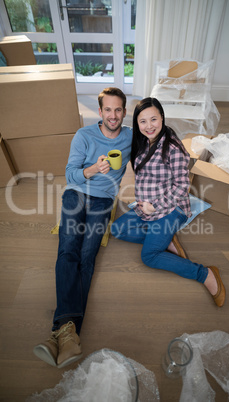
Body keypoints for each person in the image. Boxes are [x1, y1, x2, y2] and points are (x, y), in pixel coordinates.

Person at [33, 87, 132, 368]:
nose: (113, 116)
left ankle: (60, 335)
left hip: (103, 200)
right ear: (99, 112)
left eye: (118, 110)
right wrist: (92, 170)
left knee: (88, 256)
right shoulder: (84, 136)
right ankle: (68, 334)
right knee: (68, 250)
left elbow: (153, 140)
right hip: (76, 192)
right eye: (108, 110)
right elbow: (70, 173)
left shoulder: (129, 137)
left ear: (124, 112)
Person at [111, 97, 226, 308]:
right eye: (142, 121)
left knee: (149, 256)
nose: (149, 126)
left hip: (171, 208)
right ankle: (166, 240)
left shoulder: (172, 147)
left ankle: (205, 274)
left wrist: (156, 206)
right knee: (117, 229)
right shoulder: (142, 142)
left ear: (162, 117)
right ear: (137, 124)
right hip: (146, 206)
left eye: (153, 119)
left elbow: (182, 187)